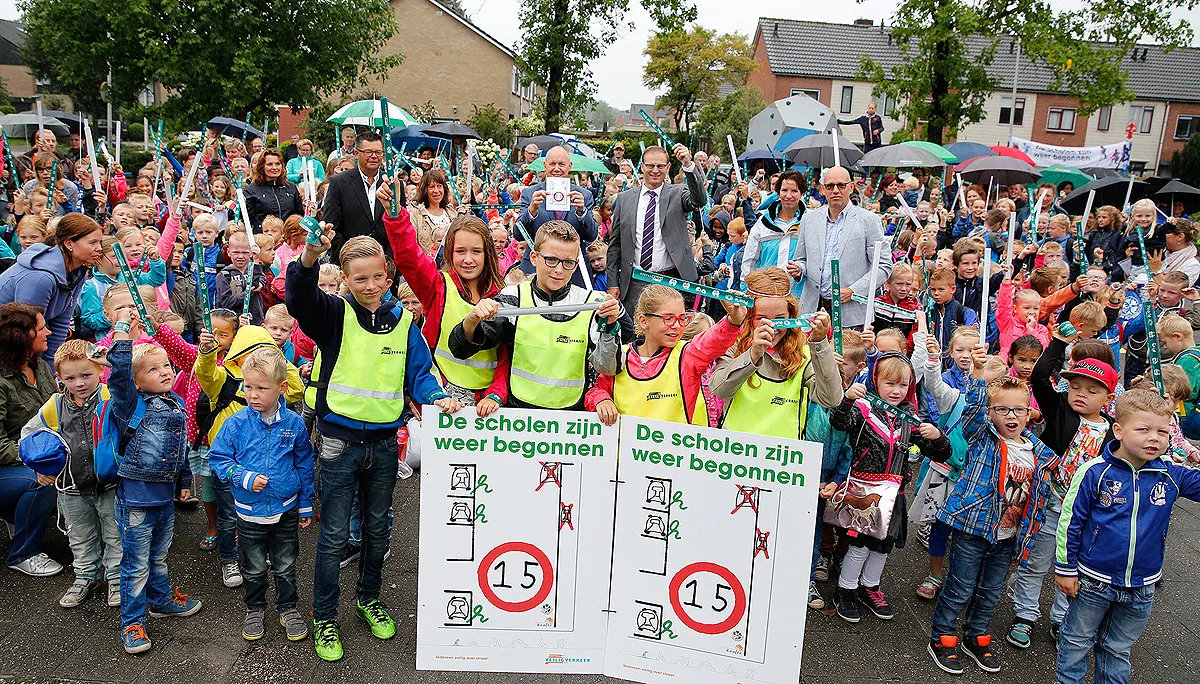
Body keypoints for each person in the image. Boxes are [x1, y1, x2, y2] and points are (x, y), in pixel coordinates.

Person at [286, 229, 462, 662]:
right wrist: (309, 256)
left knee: (378, 530)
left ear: (388, 278)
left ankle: (368, 597)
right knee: (331, 537)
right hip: (339, 444)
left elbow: (418, 373)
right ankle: (324, 616)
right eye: (359, 278)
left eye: (377, 278)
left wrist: (436, 397)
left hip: (384, 444)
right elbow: (299, 298)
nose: (369, 286)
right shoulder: (332, 314)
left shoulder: (404, 321)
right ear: (345, 279)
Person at [927, 345, 1059, 675]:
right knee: (959, 588)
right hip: (973, 528)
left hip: (1009, 535)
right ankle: (942, 636)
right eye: (1002, 410)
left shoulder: (1039, 453)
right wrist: (976, 375)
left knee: (990, 592)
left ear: (1029, 413)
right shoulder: (983, 438)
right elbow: (970, 414)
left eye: (1019, 410)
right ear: (991, 414)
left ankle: (976, 635)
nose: (1011, 416)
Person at [1054, 389, 1200, 684]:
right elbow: (1071, 522)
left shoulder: (1171, 474)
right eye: (1143, 429)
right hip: (1094, 579)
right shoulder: (1095, 472)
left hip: (1141, 585)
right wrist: (1066, 569)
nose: (1154, 438)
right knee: (1076, 640)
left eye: (1162, 431)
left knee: (1117, 649)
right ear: (1118, 431)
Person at [449, 221, 622, 414]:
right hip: (520, 412)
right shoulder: (514, 297)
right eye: (551, 260)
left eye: (568, 263)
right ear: (533, 258)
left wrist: (611, 325)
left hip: (570, 416)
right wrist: (472, 319)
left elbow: (608, 367)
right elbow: (460, 349)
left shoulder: (591, 302)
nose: (559, 270)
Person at [107, 306, 202, 655]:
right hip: (136, 498)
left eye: (166, 366)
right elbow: (118, 373)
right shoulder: (130, 404)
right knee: (134, 564)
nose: (164, 372)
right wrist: (122, 332)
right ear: (135, 380)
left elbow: (179, 450)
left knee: (158, 557)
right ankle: (132, 622)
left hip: (164, 498)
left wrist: (184, 481)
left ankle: (160, 600)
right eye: (153, 369)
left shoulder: (175, 401)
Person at [208, 346, 314, 643]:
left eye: (261, 388)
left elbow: (304, 462)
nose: (253, 394)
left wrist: (306, 503)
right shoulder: (235, 424)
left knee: (286, 563)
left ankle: (288, 607)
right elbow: (219, 460)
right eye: (248, 386)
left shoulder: (293, 424)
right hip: (249, 510)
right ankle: (255, 608)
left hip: (286, 508)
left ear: (282, 388)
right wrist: (244, 477)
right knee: (253, 567)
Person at [19, 339, 120, 606]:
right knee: (80, 536)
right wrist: (39, 467)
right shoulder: (54, 406)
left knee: (115, 534)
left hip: (110, 484)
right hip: (71, 487)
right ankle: (86, 576)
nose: (79, 383)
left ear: (100, 370)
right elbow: (29, 436)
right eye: (70, 378)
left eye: (86, 375)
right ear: (59, 379)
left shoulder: (112, 398)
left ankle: (117, 578)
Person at [787, 166, 891, 328]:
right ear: (822, 190)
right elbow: (801, 258)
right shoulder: (809, 220)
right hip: (812, 312)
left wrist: (854, 291)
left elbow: (883, 266)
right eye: (830, 186)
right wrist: (799, 268)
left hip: (851, 315)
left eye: (841, 185)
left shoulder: (869, 220)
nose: (835, 190)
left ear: (851, 187)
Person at [605, 143, 705, 312]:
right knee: (635, 332)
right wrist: (613, 283)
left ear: (668, 167)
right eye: (650, 166)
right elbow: (615, 245)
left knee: (670, 333)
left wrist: (688, 165)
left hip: (671, 280)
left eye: (660, 166)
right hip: (635, 280)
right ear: (642, 166)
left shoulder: (678, 193)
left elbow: (699, 200)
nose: (655, 170)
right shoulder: (624, 199)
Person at [0, 302, 60, 577]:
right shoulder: (2, 380)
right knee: (41, 481)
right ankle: (23, 553)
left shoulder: (43, 368)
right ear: (21, 338)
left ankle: (18, 515)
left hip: (40, 452)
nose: (48, 332)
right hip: (10, 462)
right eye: (41, 328)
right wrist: (38, 461)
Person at [0, 213, 105, 360]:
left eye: (100, 242)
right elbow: (26, 332)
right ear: (69, 244)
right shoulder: (41, 278)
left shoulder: (77, 272)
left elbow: (60, 326)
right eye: (92, 243)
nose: (99, 248)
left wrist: (50, 369)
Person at [516, 146, 599, 287]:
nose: (556, 168)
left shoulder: (584, 195)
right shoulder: (530, 194)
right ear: (545, 165)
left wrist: (581, 211)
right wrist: (532, 210)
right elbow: (518, 234)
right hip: (536, 268)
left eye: (561, 164)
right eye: (552, 164)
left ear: (569, 166)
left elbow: (591, 235)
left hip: (573, 270)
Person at [321, 130, 390, 264]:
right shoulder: (339, 183)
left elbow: (398, 224)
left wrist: (389, 258)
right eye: (368, 152)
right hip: (349, 261)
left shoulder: (391, 183)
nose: (374, 156)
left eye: (378, 152)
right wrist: (347, 256)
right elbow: (332, 225)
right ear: (357, 153)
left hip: (385, 261)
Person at [242, 149, 302, 229]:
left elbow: (299, 214)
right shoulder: (251, 190)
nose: (274, 167)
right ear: (262, 167)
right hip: (264, 237)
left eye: (277, 164)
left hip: (287, 237)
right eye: (269, 164)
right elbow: (247, 220)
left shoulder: (291, 188)